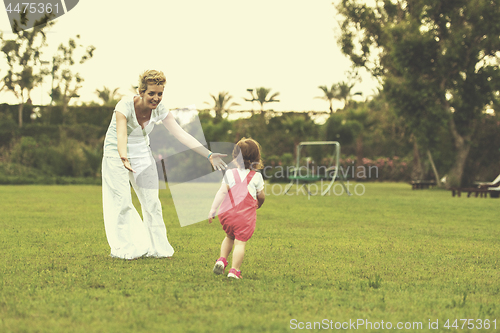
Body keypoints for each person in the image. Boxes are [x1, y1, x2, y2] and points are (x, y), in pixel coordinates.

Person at [102, 69, 226, 260]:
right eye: (151, 93)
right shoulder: (124, 106)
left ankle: (158, 249)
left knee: (153, 203)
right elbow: (121, 134)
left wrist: (208, 154)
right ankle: (126, 248)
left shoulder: (160, 109)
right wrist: (123, 156)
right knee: (122, 201)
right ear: (141, 91)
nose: (156, 98)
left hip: (142, 152)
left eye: (160, 93)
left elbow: (181, 134)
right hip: (115, 152)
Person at [208, 138, 265, 279]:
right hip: (243, 218)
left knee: (229, 237)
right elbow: (261, 196)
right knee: (240, 242)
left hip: (227, 215)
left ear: (235, 156)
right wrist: (259, 203)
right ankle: (234, 270)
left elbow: (221, 192)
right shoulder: (256, 176)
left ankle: (221, 260)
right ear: (256, 158)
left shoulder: (230, 173)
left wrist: (213, 209)